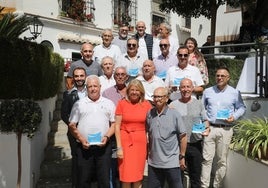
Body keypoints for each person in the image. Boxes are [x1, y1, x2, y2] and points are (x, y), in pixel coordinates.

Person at [200, 67, 246, 188]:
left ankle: (217, 185)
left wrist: (234, 117)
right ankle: (204, 186)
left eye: (222, 76)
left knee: (221, 161)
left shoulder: (235, 92)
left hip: (226, 129)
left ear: (228, 78)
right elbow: (202, 108)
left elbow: (242, 108)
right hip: (210, 129)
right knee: (206, 160)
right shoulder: (208, 91)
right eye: (217, 75)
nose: (219, 78)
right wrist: (205, 123)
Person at [68, 75, 116, 188]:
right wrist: (81, 139)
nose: (93, 89)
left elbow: (114, 124)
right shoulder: (79, 104)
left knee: (104, 180)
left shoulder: (109, 103)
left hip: (103, 147)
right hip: (84, 148)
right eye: (90, 86)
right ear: (86, 87)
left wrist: (107, 137)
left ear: (100, 87)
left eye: (95, 86)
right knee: (83, 180)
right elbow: (72, 125)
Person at [169, 78, 210, 188]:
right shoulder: (173, 105)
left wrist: (207, 129)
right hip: (177, 146)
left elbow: (205, 120)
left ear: (192, 88)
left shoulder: (199, 104)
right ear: (179, 89)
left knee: (195, 177)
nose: (185, 89)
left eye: (188, 87)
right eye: (183, 87)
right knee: (177, 177)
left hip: (195, 144)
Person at [146, 87, 187, 188]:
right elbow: (149, 135)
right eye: (155, 97)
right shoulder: (150, 113)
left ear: (166, 98)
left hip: (171, 163)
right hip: (154, 163)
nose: (157, 99)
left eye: (160, 97)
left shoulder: (175, 114)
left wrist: (182, 156)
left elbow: (183, 137)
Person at [115, 79, 152, 188]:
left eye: (137, 90)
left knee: (138, 176)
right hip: (125, 142)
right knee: (126, 176)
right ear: (128, 91)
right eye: (132, 90)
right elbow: (117, 126)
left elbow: (151, 124)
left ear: (141, 92)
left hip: (140, 143)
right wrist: (119, 147)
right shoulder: (121, 104)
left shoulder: (146, 105)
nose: (134, 92)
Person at [102, 66, 129, 188]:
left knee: (126, 169)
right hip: (113, 137)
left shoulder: (132, 92)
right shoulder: (107, 93)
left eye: (123, 74)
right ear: (114, 76)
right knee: (112, 169)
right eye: (117, 74)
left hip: (128, 136)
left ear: (127, 77)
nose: (120, 76)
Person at [61, 67, 87, 188]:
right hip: (73, 133)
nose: (79, 78)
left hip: (89, 132)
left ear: (85, 76)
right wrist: (74, 127)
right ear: (73, 78)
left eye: (81, 76)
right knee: (76, 160)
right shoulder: (68, 94)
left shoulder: (91, 91)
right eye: (76, 76)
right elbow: (63, 114)